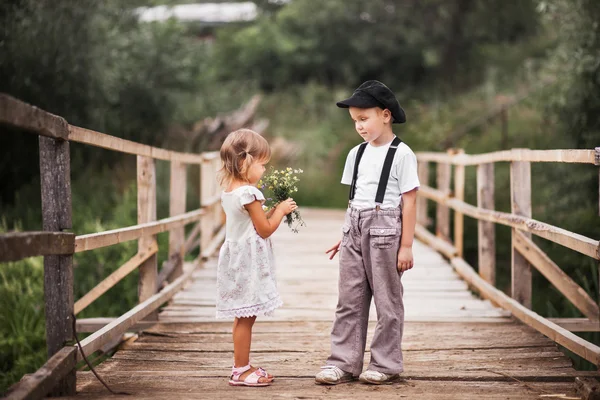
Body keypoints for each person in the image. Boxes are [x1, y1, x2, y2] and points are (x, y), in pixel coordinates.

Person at [315, 80, 420, 385]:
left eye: (364, 119)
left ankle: (385, 363)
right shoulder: (356, 153)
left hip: (386, 230)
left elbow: (409, 201)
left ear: (385, 115)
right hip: (354, 227)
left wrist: (407, 245)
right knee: (349, 298)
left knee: (387, 300)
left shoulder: (402, 154)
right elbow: (356, 199)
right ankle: (343, 362)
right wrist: (346, 234)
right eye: (355, 122)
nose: (359, 126)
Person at [216, 128, 297, 387]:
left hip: (234, 258)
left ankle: (242, 365)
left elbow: (249, 222)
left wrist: (270, 210)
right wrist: (281, 211)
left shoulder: (230, 191)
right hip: (248, 262)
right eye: (262, 165)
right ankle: (240, 370)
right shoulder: (250, 193)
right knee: (246, 318)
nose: (264, 171)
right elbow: (264, 230)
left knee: (242, 316)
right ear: (244, 162)